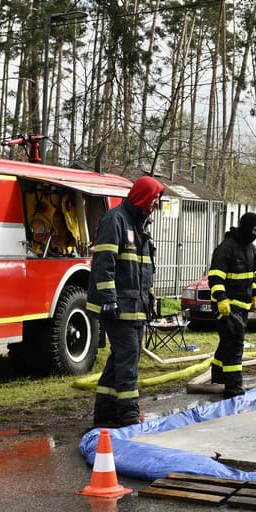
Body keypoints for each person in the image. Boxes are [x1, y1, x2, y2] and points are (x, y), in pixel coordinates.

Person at [87, 175, 163, 429]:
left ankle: (106, 411)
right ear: (142, 197)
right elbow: (104, 264)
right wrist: (109, 299)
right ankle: (128, 414)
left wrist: (148, 299)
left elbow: (141, 271)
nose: (155, 205)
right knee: (128, 357)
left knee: (121, 356)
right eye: (153, 200)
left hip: (135, 306)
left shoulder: (139, 226)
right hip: (118, 307)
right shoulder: (116, 220)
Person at [207, 212, 256, 396]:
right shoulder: (226, 248)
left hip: (243, 305)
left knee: (227, 342)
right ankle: (233, 386)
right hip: (227, 306)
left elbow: (254, 276)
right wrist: (221, 299)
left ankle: (218, 376)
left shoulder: (252, 250)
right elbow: (215, 277)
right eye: (254, 230)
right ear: (246, 228)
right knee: (235, 344)